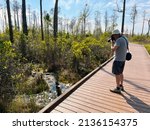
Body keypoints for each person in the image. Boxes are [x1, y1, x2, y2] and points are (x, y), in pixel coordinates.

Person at [110, 29, 128, 94]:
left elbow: (113, 49)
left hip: (118, 60)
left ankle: (117, 88)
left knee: (117, 74)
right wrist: (115, 42)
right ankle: (121, 86)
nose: (113, 37)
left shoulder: (118, 40)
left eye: (114, 36)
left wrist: (111, 44)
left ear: (115, 35)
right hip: (123, 60)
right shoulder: (124, 39)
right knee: (120, 73)